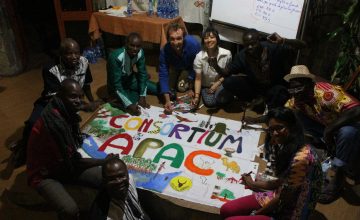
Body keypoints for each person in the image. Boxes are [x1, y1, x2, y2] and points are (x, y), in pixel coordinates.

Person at [26, 79, 117, 220]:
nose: (78, 101)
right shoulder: (53, 125)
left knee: (107, 177)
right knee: (70, 210)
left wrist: (92, 104)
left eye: (81, 96)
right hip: (44, 174)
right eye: (73, 96)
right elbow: (74, 163)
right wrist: (102, 161)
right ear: (60, 96)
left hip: (63, 165)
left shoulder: (61, 108)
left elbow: (82, 105)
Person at [220, 107, 322, 220]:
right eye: (271, 129)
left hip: (292, 212)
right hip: (279, 195)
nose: (274, 133)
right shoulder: (289, 145)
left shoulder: (300, 159)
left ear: (292, 126)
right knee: (226, 210)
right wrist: (253, 184)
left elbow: (282, 198)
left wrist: (256, 213)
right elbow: (282, 182)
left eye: (279, 128)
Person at [12, 38, 100, 166]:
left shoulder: (84, 62)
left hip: (73, 103)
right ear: (61, 55)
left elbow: (86, 85)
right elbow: (56, 98)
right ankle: (23, 150)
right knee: (32, 123)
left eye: (77, 52)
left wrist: (92, 102)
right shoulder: (50, 69)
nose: (74, 57)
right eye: (69, 53)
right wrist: (84, 106)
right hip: (51, 102)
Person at [283, 65, 360, 204]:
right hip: (327, 128)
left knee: (348, 133)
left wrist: (330, 130)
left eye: (299, 89)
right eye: (292, 90)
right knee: (294, 115)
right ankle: (327, 149)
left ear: (309, 85)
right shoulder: (297, 100)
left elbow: (357, 110)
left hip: (350, 128)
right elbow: (282, 114)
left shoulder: (327, 94)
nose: (295, 94)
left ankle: (338, 177)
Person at [210, 29, 305, 111]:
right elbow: (226, 73)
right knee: (228, 82)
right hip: (256, 87)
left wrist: (284, 40)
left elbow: (303, 45)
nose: (250, 47)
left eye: (253, 44)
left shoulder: (273, 48)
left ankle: (265, 102)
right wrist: (216, 66)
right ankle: (257, 100)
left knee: (280, 93)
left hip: (274, 85)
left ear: (259, 40)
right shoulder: (242, 56)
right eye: (247, 45)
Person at [107, 32, 158, 116]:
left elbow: (142, 74)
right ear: (126, 44)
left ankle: (131, 95)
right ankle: (115, 99)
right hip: (117, 86)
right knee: (133, 105)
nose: (135, 49)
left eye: (138, 46)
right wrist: (130, 105)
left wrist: (142, 96)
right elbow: (116, 84)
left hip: (131, 79)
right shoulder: (115, 57)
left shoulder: (140, 52)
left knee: (157, 89)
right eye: (132, 45)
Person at [158, 22, 201, 114]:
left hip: (190, 66)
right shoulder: (164, 51)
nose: (175, 42)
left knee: (181, 88)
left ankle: (183, 75)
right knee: (168, 92)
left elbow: (197, 66)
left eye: (179, 38)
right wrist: (167, 101)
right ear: (168, 39)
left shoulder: (193, 45)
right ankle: (179, 74)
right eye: (172, 39)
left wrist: (191, 86)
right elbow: (163, 73)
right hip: (176, 66)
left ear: (184, 38)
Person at [191, 27, 232, 108]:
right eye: (206, 38)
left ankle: (223, 95)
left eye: (212, 37)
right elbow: (198, 78)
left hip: (221, 82)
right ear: (203, 41)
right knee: (210, 103)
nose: (209, 40)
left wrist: (217, 83)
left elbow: (229, 72)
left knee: (223, 99)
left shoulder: (227, 54)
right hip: (206, 86)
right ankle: (209, 93)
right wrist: (196, 97)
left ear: (217, 39)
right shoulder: (199, 57)